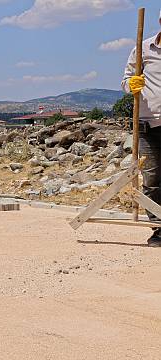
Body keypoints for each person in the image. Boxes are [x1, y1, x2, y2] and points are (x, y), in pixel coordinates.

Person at [122, 10, 161, 247]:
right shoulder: (144, 48)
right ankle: (158, 228)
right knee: (152, 179)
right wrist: (131, 84)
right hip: (148, 125)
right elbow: (126, 80)